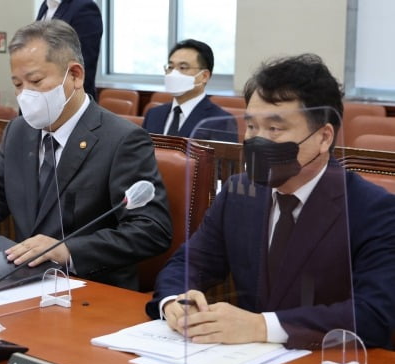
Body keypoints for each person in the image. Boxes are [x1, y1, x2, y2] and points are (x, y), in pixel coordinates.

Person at [146, 53, 395, 349]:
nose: (257, 141)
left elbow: (373, 314)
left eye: (275, 129)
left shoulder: (373, 210)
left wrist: (262, 326)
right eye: (251, 127)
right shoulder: (240, 192)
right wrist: (176, 300)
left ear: (324, 137)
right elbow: (190, 262)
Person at [0, 20, 172, 291]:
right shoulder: (19, 129)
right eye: (18, 84)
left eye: (35, 81)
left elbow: (151, 229)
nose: (24, 95)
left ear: (75, 75)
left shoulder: (122, 139)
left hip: (91, 288)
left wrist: (68, 250)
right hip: (21, 282)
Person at [143, 39, 237, 142]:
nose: (173, 74)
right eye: (170, 67)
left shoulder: (220, 121)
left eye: (182, 67)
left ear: (204, 76)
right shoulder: (153, 114)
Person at [36, 0, 102, 101]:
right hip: (40, 99)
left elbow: (81, 64)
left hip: (68, 103)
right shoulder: (46, 6)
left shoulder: (85, 8)